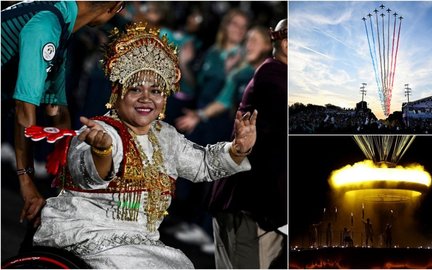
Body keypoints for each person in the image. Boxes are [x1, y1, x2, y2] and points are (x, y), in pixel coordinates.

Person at [32, 22, 257, 269]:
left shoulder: (166, 137)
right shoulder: (99, 131)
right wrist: (102, 150)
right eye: (135, 89)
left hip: (141, 243)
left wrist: (237, 149)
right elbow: (88, 174)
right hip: (87, 233)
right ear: (117, 94)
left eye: (156, 91)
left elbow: (202, 164)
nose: (146, 98)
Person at [1, 0, 125, 229]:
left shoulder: (59, 23)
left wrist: (66, 180)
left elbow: (56, 110)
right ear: (116, 7)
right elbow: (24, 110)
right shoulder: (47, 25)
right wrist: (27, 183)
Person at [209, 18, 287, 269]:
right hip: (248, 203)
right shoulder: (271, 72)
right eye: (287, 35)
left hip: (262, 205)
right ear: (274, 38)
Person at [175, 25, 273, 133]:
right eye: (247, 40)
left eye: (254, 40)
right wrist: (200, 115)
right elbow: (224, 101)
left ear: (267, 46)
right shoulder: (238, 74)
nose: (249, 45)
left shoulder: (273, 74)